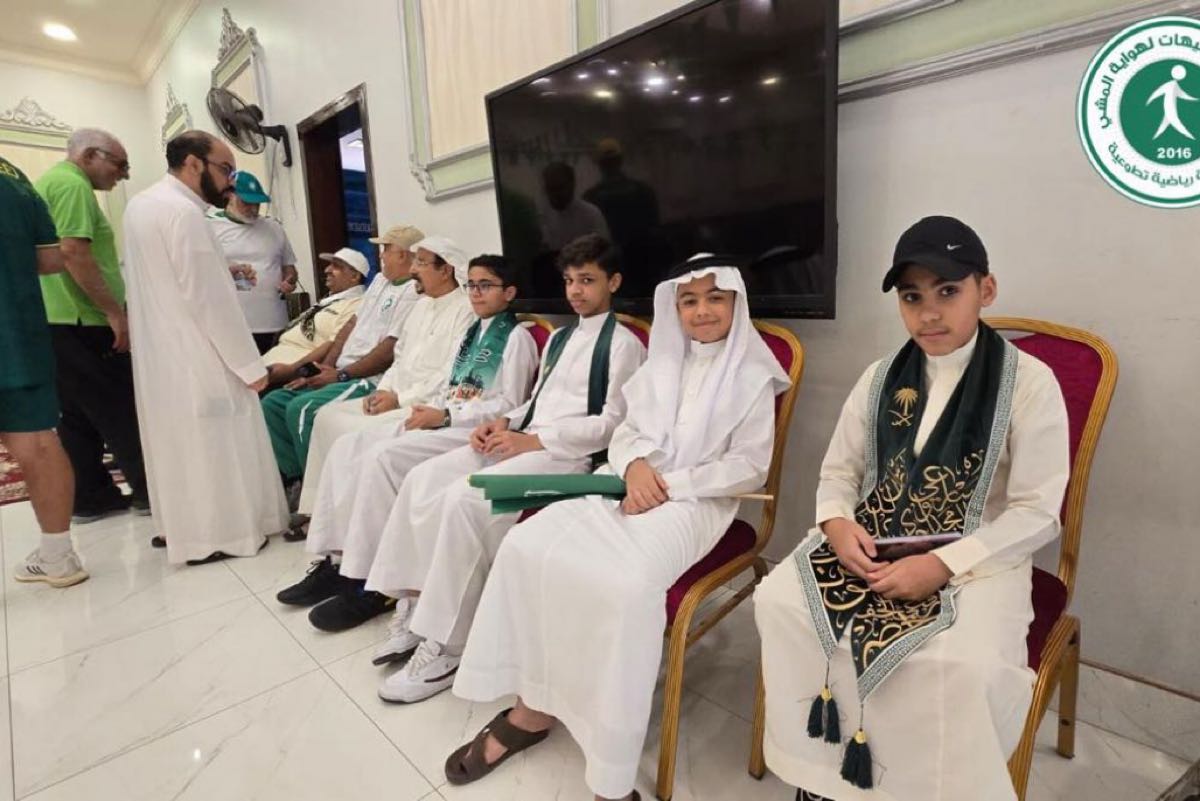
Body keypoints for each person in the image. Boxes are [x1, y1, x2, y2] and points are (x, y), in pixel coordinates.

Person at [444, 256, 788, 801]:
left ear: (735, 303)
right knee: (527, 545)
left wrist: (668, 484)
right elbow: (626, 433)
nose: (701, 311)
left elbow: (749, 467)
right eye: (689, 300)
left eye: (714, 298)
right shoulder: (660, 365)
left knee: (625, 587)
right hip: (624, 483)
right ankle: (532, 708)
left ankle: (610, 766)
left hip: (697, 503)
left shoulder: (753, 374)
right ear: (675, 307)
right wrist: (635, 466)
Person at [754, 216, 1070, 801]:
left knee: (962, 664)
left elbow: (1037, 511)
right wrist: (836, 523)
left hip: (981, 557)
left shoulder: (1029, 383)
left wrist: (943, 564)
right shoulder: (880, 378)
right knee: (780, 603)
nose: (929, 314)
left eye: (948, 291)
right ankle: (825, 776)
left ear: (986, 289)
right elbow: (839, 472)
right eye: (912, 297)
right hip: (878, 539)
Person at [362, 233, 646, 703]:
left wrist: (533, 439)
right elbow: (536, 401)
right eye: (570, 281)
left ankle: (450, 645)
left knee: (465, 500)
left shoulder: (624, 345)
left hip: (569, 457)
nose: (575, 291)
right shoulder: (560, 338)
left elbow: (612, 424)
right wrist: (503, 422)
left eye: (588, 280)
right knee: (421, 479)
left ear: (613, 283)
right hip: (525, 439)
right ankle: (416, 605)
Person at [275, 255, 538, 633]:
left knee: (384, 459)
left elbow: (508, 406)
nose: (476, 294)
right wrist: (431, 408)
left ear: (509, 292)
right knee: (349, 446)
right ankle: (338, 561)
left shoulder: (516, 339)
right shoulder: (473, 331)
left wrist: (445, 416)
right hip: (443, 414)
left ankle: (371, 584)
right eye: (473, 285)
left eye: (486, 286)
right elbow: (449, 383)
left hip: (469, 428)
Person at [122, 130, 288, 565]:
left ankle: (181, 529)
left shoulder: (141, 204)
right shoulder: (185, 214)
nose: (231, 181)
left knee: (176, 444)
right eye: (226, 169)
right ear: (194, 164)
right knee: (214, 443)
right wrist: (248, 365)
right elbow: (210, 299)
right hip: (197, 348)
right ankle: (221, 535)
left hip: (160, 350)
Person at [292, 235, 477, 525]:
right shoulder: (421, 306)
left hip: (423, 404)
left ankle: (356, 519)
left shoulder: (466, 312)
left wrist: (399, 399)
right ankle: (321, 512)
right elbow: (399, 358)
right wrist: (385, 390)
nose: (413, 269)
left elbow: (449, 373)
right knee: (326, 417)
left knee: (352, 433)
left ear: (446, 270)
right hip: (394, 395)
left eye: (421, 263)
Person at [34, 128, 150, 522]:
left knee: (76, 415)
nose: (124, 174)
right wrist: (114, 313)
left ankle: (90, 496)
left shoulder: (51, 181)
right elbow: (73, 253)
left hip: (57, 320)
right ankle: (149, 491)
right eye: (120, 164)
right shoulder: (72, 186)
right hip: (83, 320)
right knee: (120, 405)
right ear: (89, 156)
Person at [260, 226, 422, 505]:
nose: (381, 255)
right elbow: (349, 327)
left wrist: (341, 375)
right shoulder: (380, 281)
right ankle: (298, 481)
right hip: (340, 371)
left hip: (366, 377)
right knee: (273, 404)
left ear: (405, 255)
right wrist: (321, 369)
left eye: (387, 249)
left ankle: (321, 499)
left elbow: (388, 351)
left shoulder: (413, 293)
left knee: (302, 408)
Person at [0, 155, 88, 587]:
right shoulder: (12, 175)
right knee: (37, 440)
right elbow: (52, 259)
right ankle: (58, 557)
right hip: (16, 332)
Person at [206, 170, 299, 353]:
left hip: (274, 323)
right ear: (229, 196)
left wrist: (289, 281)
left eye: (257, 203)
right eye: (247, 203)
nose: (254, 209)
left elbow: (290, 269)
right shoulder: (210, 226)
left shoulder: (274, 227)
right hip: (232, 325)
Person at [259, 253, 365, 367]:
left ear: (354, 276)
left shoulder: (357, 304)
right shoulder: (328, 301)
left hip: (292, 367)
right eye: (330, 265)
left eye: (336, 266)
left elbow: (335, 345)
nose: (327, 270)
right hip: (271, 359)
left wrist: (292, 369)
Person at [538, 162, 610, 250]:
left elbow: (607, 251)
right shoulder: (545, 214)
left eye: (559, 188)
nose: (554, 194)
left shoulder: (591, 215)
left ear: (572, 184)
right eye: (550, 189)